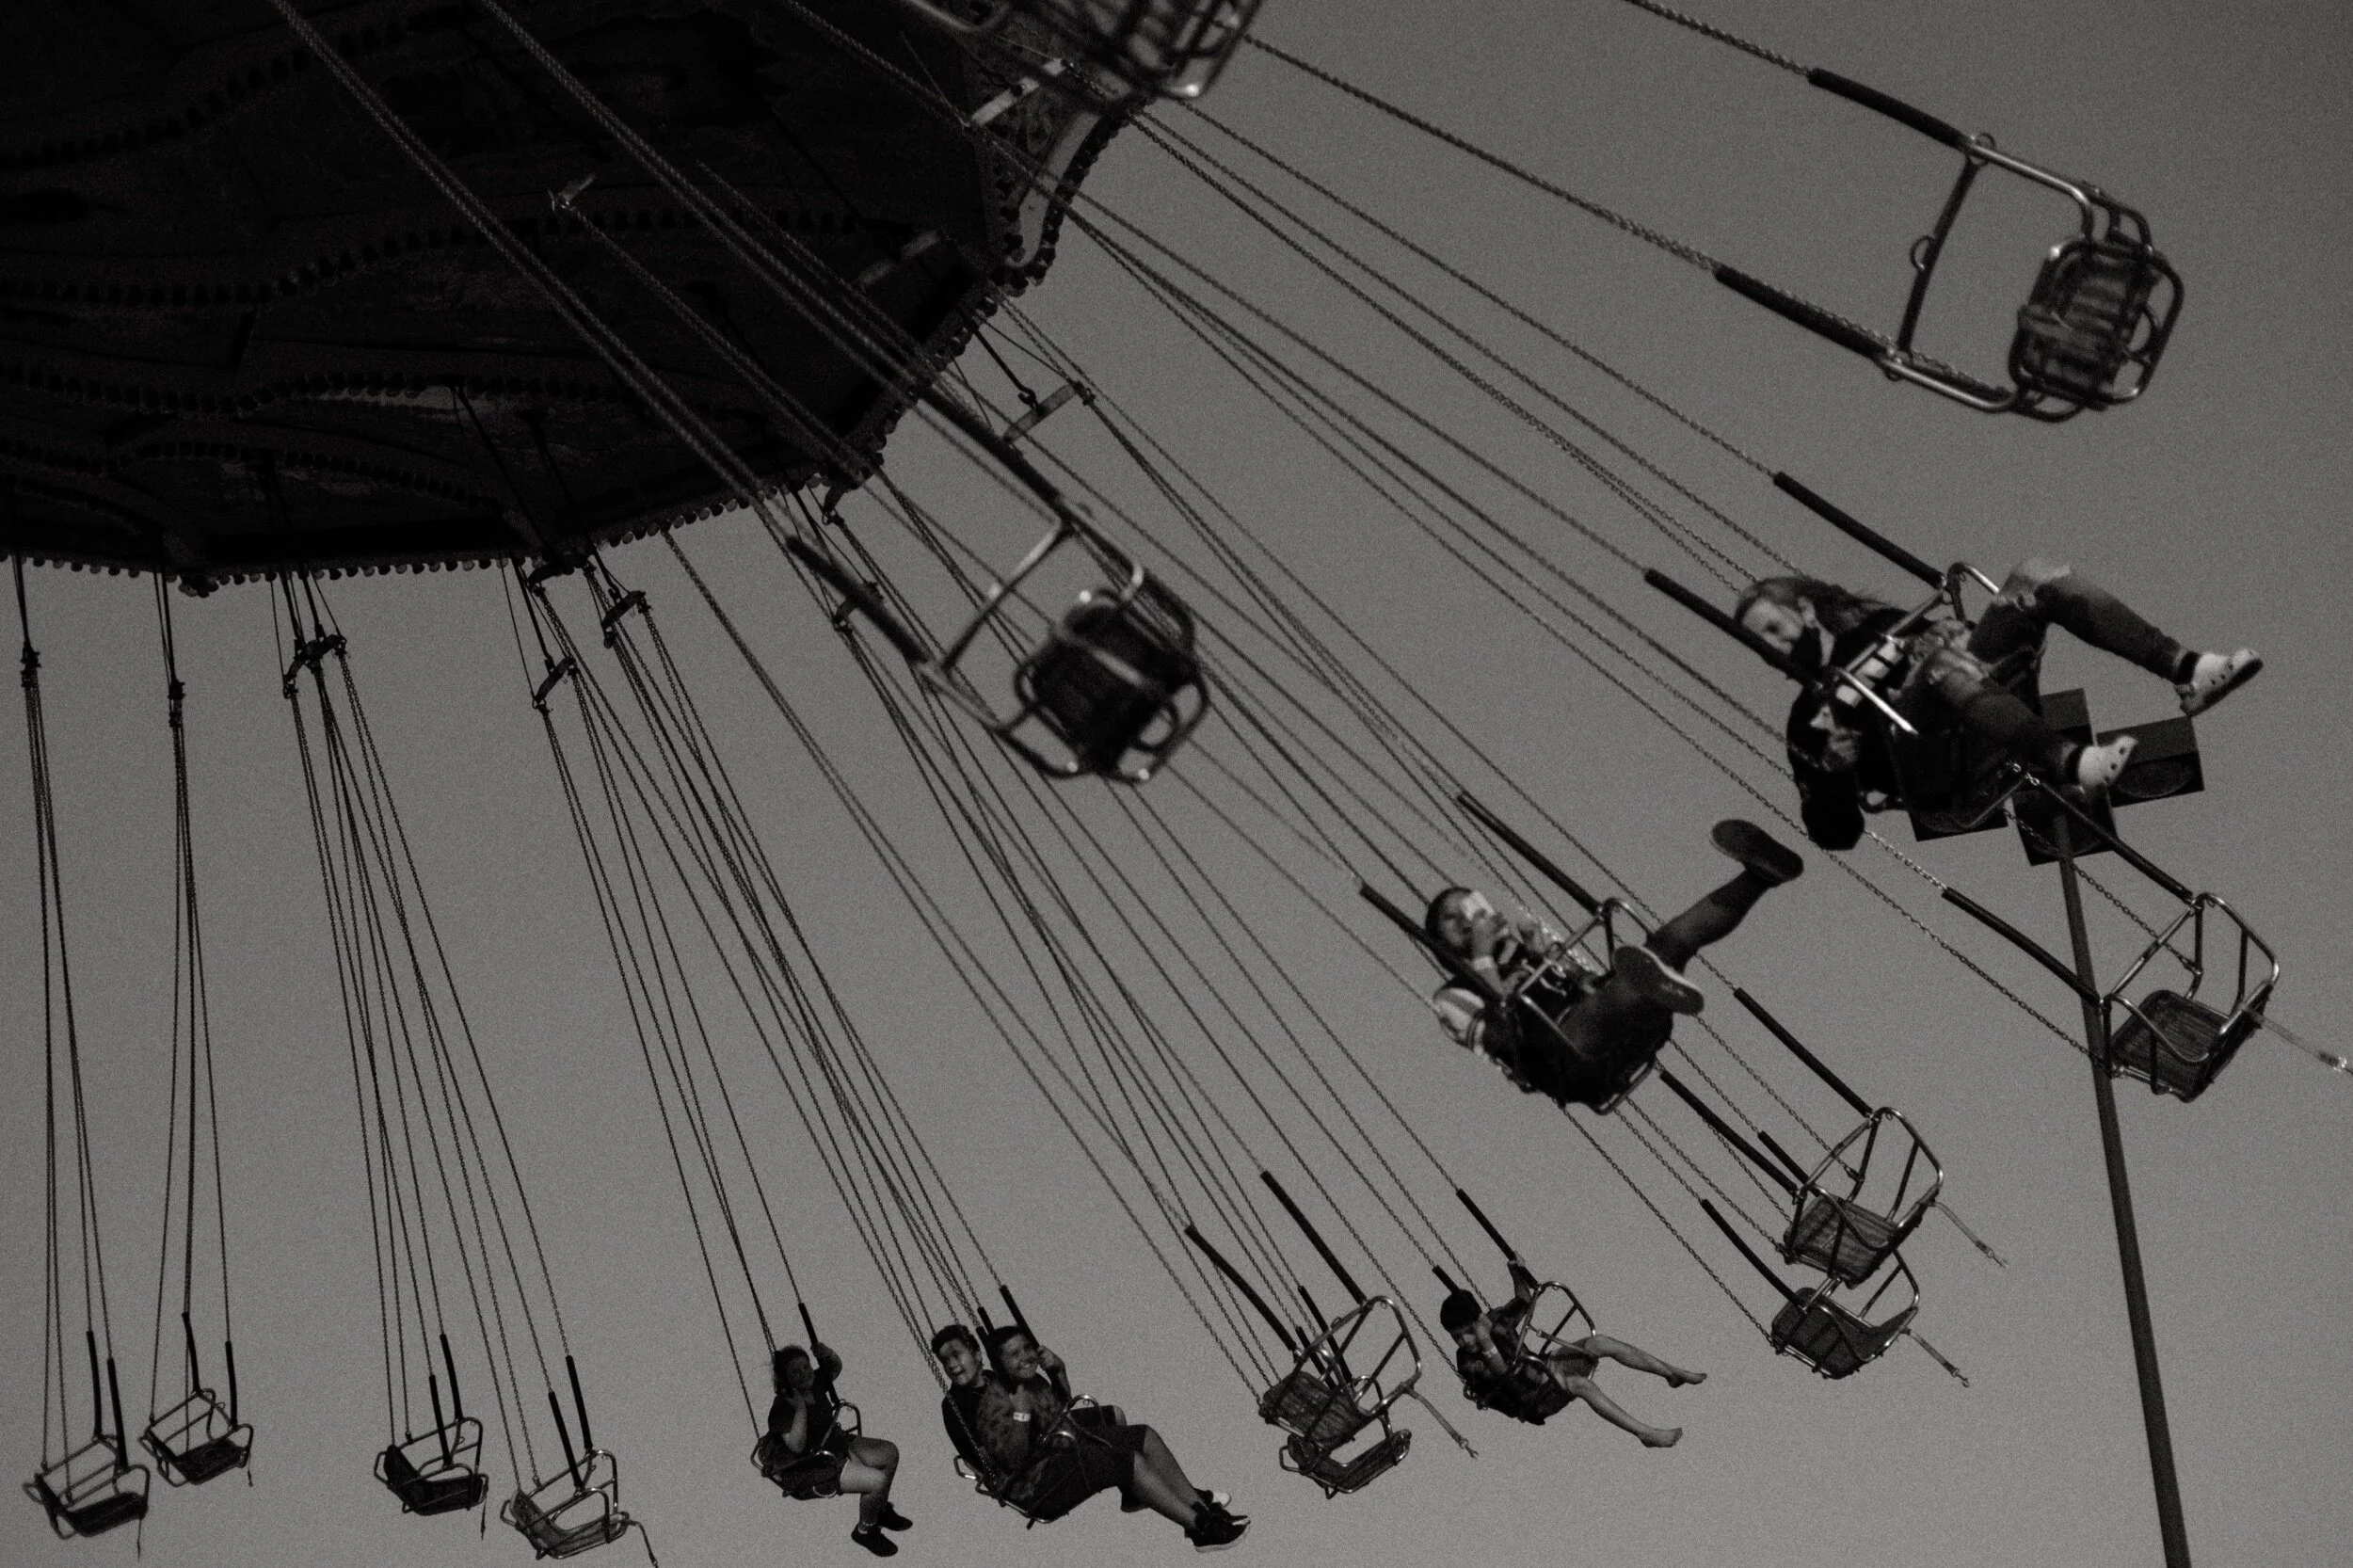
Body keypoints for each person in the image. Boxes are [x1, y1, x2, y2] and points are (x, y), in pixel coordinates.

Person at [1734, 562, 2261, 850]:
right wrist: (1833, 772)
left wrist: (1953, 630)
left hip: (1978, 706)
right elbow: (1835, 834)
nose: (1772, 648)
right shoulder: (1806, 720)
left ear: (1805, 610)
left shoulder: (1877, 629)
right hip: (1936, 772)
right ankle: (2066, 759)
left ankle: (2189, 667)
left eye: (1774, 630)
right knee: (1938, 669)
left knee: (2038, 576)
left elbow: (1945, 639)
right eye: (1761, 645)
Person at [1426, 820, 1803, 1107]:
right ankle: (1649, 988)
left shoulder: (1526, 948)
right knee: (1627, 984)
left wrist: (1550, 958)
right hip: (1571, 1059)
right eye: (1449, 918)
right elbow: (1501, 1035)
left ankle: (1759, 876)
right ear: (1439, 941)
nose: (1462, 919)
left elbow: (1586, 981)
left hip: (1617, 1027)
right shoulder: (1451, 996)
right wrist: (1481, 955)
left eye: (1466, 907)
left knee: (1667, 943)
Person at [931, 1323, 1247, 1551]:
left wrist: (1058, 1373)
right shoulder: (976, 1404)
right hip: (1030, 1476)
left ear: (977, 1354)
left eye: (957, 1355)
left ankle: (1195, 1504)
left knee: (1138, 1434)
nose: (953, 1365)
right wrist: (1021, 1415)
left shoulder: (1013, 1382)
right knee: (1125, 1461)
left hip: (1049, 1444)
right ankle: (1197, 1527)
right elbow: (1009, 1456)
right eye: (947, 1360)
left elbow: (1057, 1412)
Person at [1440, 1262, 1702, 1447]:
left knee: (1599, 1343)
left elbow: (1523, 1298)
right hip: (1531, 1399)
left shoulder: (1496, 1321)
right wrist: (1486, 1343)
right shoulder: (1467, 1362)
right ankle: (1645, 1434)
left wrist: (1515, 1271)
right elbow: (1503, 1373)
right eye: (1456, 1338)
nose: (1464, 1341)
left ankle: (1671, 1373)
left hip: (1544, 1370)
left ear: (1479, 1320)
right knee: (1582, 1385)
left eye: (1467, 1332)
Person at [756, 1342, 908, 1557]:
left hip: (836, 1444)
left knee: (889, 1453)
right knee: (877, 1481)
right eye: (795, 1372)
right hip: (814, 1465)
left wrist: (825, 1352)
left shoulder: (815, 1383)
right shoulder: (782, 1407)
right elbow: (797, 1447)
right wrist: (800, 1408)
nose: (803, 1374)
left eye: (806, 1367)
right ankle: (866, 1530)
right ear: (786, 1379)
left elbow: (835, 1367)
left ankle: (878, 1509)